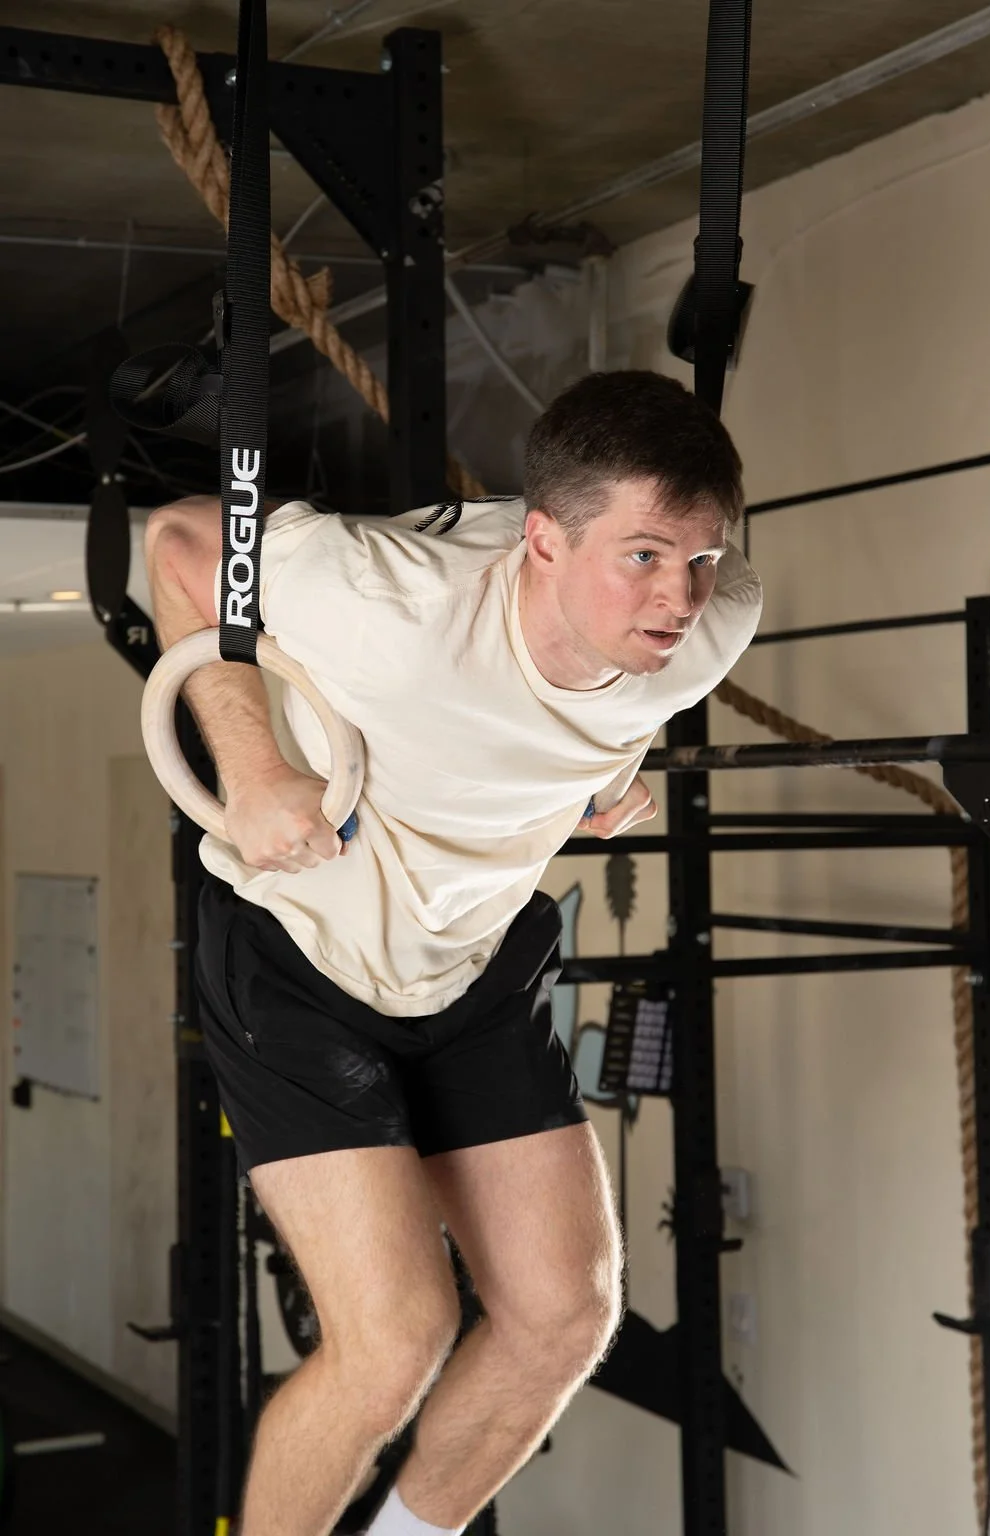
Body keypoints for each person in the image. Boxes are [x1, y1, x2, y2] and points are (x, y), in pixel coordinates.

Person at [144, 369, 761, 1536]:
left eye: (698, 557)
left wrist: (602, 778)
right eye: (641, 556)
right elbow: (180, 543)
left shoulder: (715, 619)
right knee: (393, 1343)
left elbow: (615, 694)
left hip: (469, 960)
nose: (678, 595)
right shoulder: (388, 604)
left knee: (564, 1319)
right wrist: (257, 771)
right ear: (539, 540)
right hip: (299, 956)